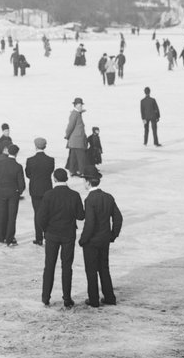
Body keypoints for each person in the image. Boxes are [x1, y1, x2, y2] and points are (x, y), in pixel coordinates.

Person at [39, 169, 85, 306]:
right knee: (67, 267)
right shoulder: (74, 195)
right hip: (68, 235)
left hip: (52, 235)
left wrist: (46, 230)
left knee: (49, 266)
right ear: (67, 179)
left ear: (54, 179)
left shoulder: (48, 195)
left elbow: (41, 217)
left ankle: (45, 297)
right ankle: (66, 298)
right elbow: (81, 216)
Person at [78, 171, 122, 307]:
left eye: (84, 180)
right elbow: (118, 218)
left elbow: (90, 223)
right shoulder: (108, 197)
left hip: (92, 241)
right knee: (104, 268)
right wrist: (112, 235)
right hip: (104, 240)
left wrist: (83, 239)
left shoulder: (90, 199)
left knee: (91, 271)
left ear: (88, 182)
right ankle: (109, 297)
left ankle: (94, 299)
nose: (83, 183)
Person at [0, 144, 26, 245]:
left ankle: (0, 236)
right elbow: (21, 183)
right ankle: (10, 238)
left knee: (1, 214)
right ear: (16, 153)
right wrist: (19, 191)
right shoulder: (18, 166)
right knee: (12, 216)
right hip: (13, 193)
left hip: (1, 192)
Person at [24, 138, 56, 245]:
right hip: (47, 189)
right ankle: (47, 235)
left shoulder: (30, 160)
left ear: (35, 146)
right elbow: (50, 172)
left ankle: (38, 238)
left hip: (35, 190)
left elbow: (28, 174)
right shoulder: (50, 160)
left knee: (37, 213)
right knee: (47, 213)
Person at [64, 98, 88, 177]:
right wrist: (67, 135)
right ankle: (81, 171)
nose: (81, 106)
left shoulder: (77, 113)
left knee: (73, 156)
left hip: (76, 140)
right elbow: (70, 126)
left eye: (81, 105)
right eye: (80, 105)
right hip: (77, 140)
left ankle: (72, 170)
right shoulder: (75, 114)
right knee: (81, 157)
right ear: (76, 105)